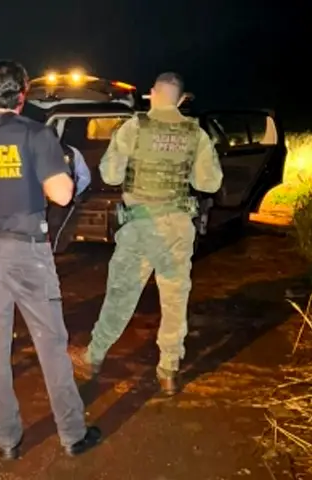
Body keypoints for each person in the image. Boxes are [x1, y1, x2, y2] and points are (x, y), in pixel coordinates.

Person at [0, 59, 102, 459]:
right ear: (21, 95)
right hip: (26, 250)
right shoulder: (36, 135)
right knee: (50, 342)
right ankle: (72, 434)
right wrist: (59, 171)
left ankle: (7, 440)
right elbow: (62, 194)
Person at [69, 72, 223, 395]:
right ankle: (168, 370)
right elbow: (209, 184)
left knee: (121, 296)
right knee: (175, 299)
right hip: (177, 229)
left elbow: (110, 175)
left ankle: (93, 357)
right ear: (181, 99)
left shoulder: (134, 127)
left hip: (140, 227)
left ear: (153, 94)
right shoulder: (195, 133)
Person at [46, 124, 92, 252]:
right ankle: (51, 254)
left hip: (38, 202)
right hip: (63, 200)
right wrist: (73, 193)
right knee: (57, 231)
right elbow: (85, 177)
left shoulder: (31, 151)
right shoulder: (71, 152)